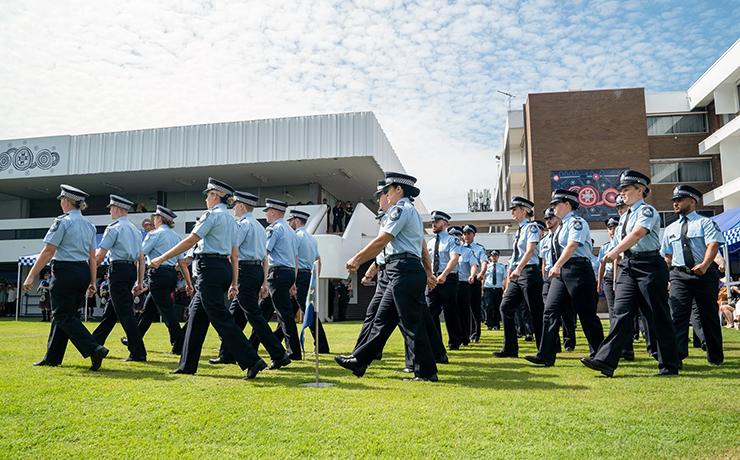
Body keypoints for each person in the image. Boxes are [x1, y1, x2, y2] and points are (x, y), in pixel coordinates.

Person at [150, 178, 268, 379]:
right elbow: (235, 254)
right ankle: (187, 364)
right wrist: (233, 282)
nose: (206, 198)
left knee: (221, 318)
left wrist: (163, 257)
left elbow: (191, 241)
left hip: (210, 269)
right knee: (196, 318)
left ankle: (252, 360)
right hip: (222, 269)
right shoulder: (232, 220)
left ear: (215, 195)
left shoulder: (211, 216)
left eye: (208, 194)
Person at [336, 172, 439, 382]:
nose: (385, 195)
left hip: (403, 269)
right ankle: (359, 360)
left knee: (412, 324)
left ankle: (427, 372)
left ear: (398, 189)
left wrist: (356, 258)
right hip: (401, 270)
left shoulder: (400, 210)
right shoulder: (411, 212)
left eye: (387, 191)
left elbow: (382, 240)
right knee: (382, 320)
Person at [583, 170, 681, 377]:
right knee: (620, 312)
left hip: (649, 265)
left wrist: (614, 251)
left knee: (657, 315)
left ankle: (670, 364)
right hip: (628, 265)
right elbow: (621, 244)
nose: (622, 193)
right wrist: (617, 270)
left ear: (640, 190)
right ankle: (606, 361)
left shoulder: (647, 211)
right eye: (622, 189)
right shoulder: (624, 216)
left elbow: (637, 234)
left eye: (626, 189)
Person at [23, 184, 108, 370]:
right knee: (65, 315)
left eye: (62, 200)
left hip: (65, 271)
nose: (61, 203)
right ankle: (52, 357)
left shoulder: (62, 221)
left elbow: (48, 251)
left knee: (61, 314)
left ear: (66, 202)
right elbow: (92, 257)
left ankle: (94, 348)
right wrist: (93, 281)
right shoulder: (90, 226)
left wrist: (31, 276)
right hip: (83, 272)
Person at [209, 191, 291, 369]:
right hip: (256, 271)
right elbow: (264, 258)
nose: (233, 209)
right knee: (235, 315)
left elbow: (234, 252)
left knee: (253, 315)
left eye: (235, 205)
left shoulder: (243, 226)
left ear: (240, 205)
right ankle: (227, 353)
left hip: (244, 271)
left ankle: (278, 354)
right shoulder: (261, 227)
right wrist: (263, 283)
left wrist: (233, 281)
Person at [525, 190, 604, 367]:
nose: (553, 208)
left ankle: (600, 354)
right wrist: (557, 267)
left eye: (556, 204)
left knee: (586, 314)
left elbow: (572, 245)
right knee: (550, 311)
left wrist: (557, 265)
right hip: (560, 272)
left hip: (577, 270)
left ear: (567, 204)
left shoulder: (577, 222)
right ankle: (546, 354)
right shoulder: (560, 227)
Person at [661, 185, 725, 366]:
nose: (675, 203)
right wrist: (669, 276)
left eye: (679, 200)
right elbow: (667, 255)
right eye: (674, 201)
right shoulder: (670, 228)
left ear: (692, 201)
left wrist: (705, 265)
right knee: (678, 316)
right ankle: (677, 356)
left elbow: (713, 245)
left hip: (704, 275)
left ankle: (715, 358)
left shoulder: (706, 223)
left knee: (708, 316)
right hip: (680, 276)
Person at [124, 206, 193, 355]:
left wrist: (138, 281)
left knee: (168, 312)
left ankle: (179, 345)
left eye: (155, 218)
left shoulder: (154, 235)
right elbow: (182, 263)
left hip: (158, 274)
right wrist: (188, 283)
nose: (153, 221)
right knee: (148, 311)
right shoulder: (176, 237)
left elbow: (140, 256)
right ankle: (134, 338)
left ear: (159, 219)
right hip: (171, 275)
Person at [90, 195, 148, 362]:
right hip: (130, 269)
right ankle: (95, 343)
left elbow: (100, 255)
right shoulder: (136, 231)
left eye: (110, 208)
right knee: (112, 311)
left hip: (118, 269)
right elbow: (141, 259)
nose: (110, 211)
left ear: (116, 208)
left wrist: (90, 274)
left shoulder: (113, 228)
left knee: (124, 312)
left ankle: (138, 352)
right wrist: (139, 281)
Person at [493, 196, 544, 358]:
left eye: (515, 209)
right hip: (517, 274)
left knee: (536, 311)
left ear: (524, 210)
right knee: (505, 308)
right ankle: (510, 348)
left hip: (529, 272)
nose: (512, 212)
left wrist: (519, 268)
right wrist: (510, 275)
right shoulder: (520, 230)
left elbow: (530, 250)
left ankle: (544, 350)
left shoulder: (532, 227)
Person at [260, 198, 302, 360]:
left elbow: (265, 254)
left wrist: (263, 281)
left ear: (272, 212)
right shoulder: (291, 232)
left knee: (284, 315)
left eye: (267, 212)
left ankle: (294, 352)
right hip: (288, 272)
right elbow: (296, 259)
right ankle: (253, 344)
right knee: (262, 312)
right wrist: (294, 281)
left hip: (276, 274)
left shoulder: (274, 229)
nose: (266, 216)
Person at [287, 209, 330, 353]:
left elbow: (294, 259)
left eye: (291, 220)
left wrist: (292, 280)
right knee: (288, 312)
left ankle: (322, 346)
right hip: (308, 276)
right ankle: (278, 339)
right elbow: (319, 261)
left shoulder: (295, 237)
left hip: (297, 276)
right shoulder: (312, 239)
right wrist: (315, 279)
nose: (289, 223)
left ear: (296, 221)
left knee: (308, 312)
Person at [597, 216, 634, 360]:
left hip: (622, 276)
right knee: (613, 312)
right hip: (608, 278)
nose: (612, 231)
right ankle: (618, 347)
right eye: (610, 228)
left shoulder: (625, 244)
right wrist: (599, 283)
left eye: (615, 228)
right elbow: (602, 266)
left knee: (623, 312)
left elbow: (618, 262)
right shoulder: (605, 247)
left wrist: (615, 281)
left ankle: (626, 347)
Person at [539, 208, 576, 351]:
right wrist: (544, 277)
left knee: (567, 311)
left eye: (551, 218)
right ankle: (554, 344)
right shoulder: (544, 241)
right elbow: (543, 262)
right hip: (549, 276)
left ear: (558, 219)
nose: (548, 221)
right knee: (549, 311)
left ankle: (569, 343)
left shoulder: (563, 235)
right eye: (546, 219)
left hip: (562, 274)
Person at [426, 210, 463, 350]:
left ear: (444, 223)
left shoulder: (452, 239)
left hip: (448, 279)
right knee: (430, 312)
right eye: (432, 222)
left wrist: (445, 274)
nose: (433, 224)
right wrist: (428, 276)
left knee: (450, 311)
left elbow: (454, 258)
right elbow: (426, 260)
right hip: (433, 278)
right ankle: (436, 343)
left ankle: (454, 342)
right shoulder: (429, 242)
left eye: (436, 222)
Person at [449, 226, 478, 347]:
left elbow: (474, 264)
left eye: (458, 235)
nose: (456, 238)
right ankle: (454, 339)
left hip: (463, 284)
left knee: (464, 312)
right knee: (452, 312)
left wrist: (472, 275)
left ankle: (464, 338)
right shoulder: (447, 249)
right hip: (450, 283)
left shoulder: (467, 251)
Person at [462, 224, 487, 343]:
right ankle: (466, 333)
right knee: (464, 309)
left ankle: (475, 334)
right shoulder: (459, 248)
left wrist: (481, 273)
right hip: (463, 281)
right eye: (464, 234)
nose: (466, 236)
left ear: (474, 235)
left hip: (475, 281)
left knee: (475, 308)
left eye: (468, 233)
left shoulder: (479, 248)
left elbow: (483, 262)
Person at [484, 250, 506, 330]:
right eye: (493, 256)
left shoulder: (502, 267)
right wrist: (482, 288)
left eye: (496, 256)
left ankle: (497, 324)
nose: (494, 257)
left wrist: (505, 289)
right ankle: (490, 324)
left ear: (498, 257)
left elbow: (505, 278)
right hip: (488, 288)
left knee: (497, 307)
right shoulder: (486, 266)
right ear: (490, 257)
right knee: (488, 305)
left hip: (498, 288)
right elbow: (483, 277)